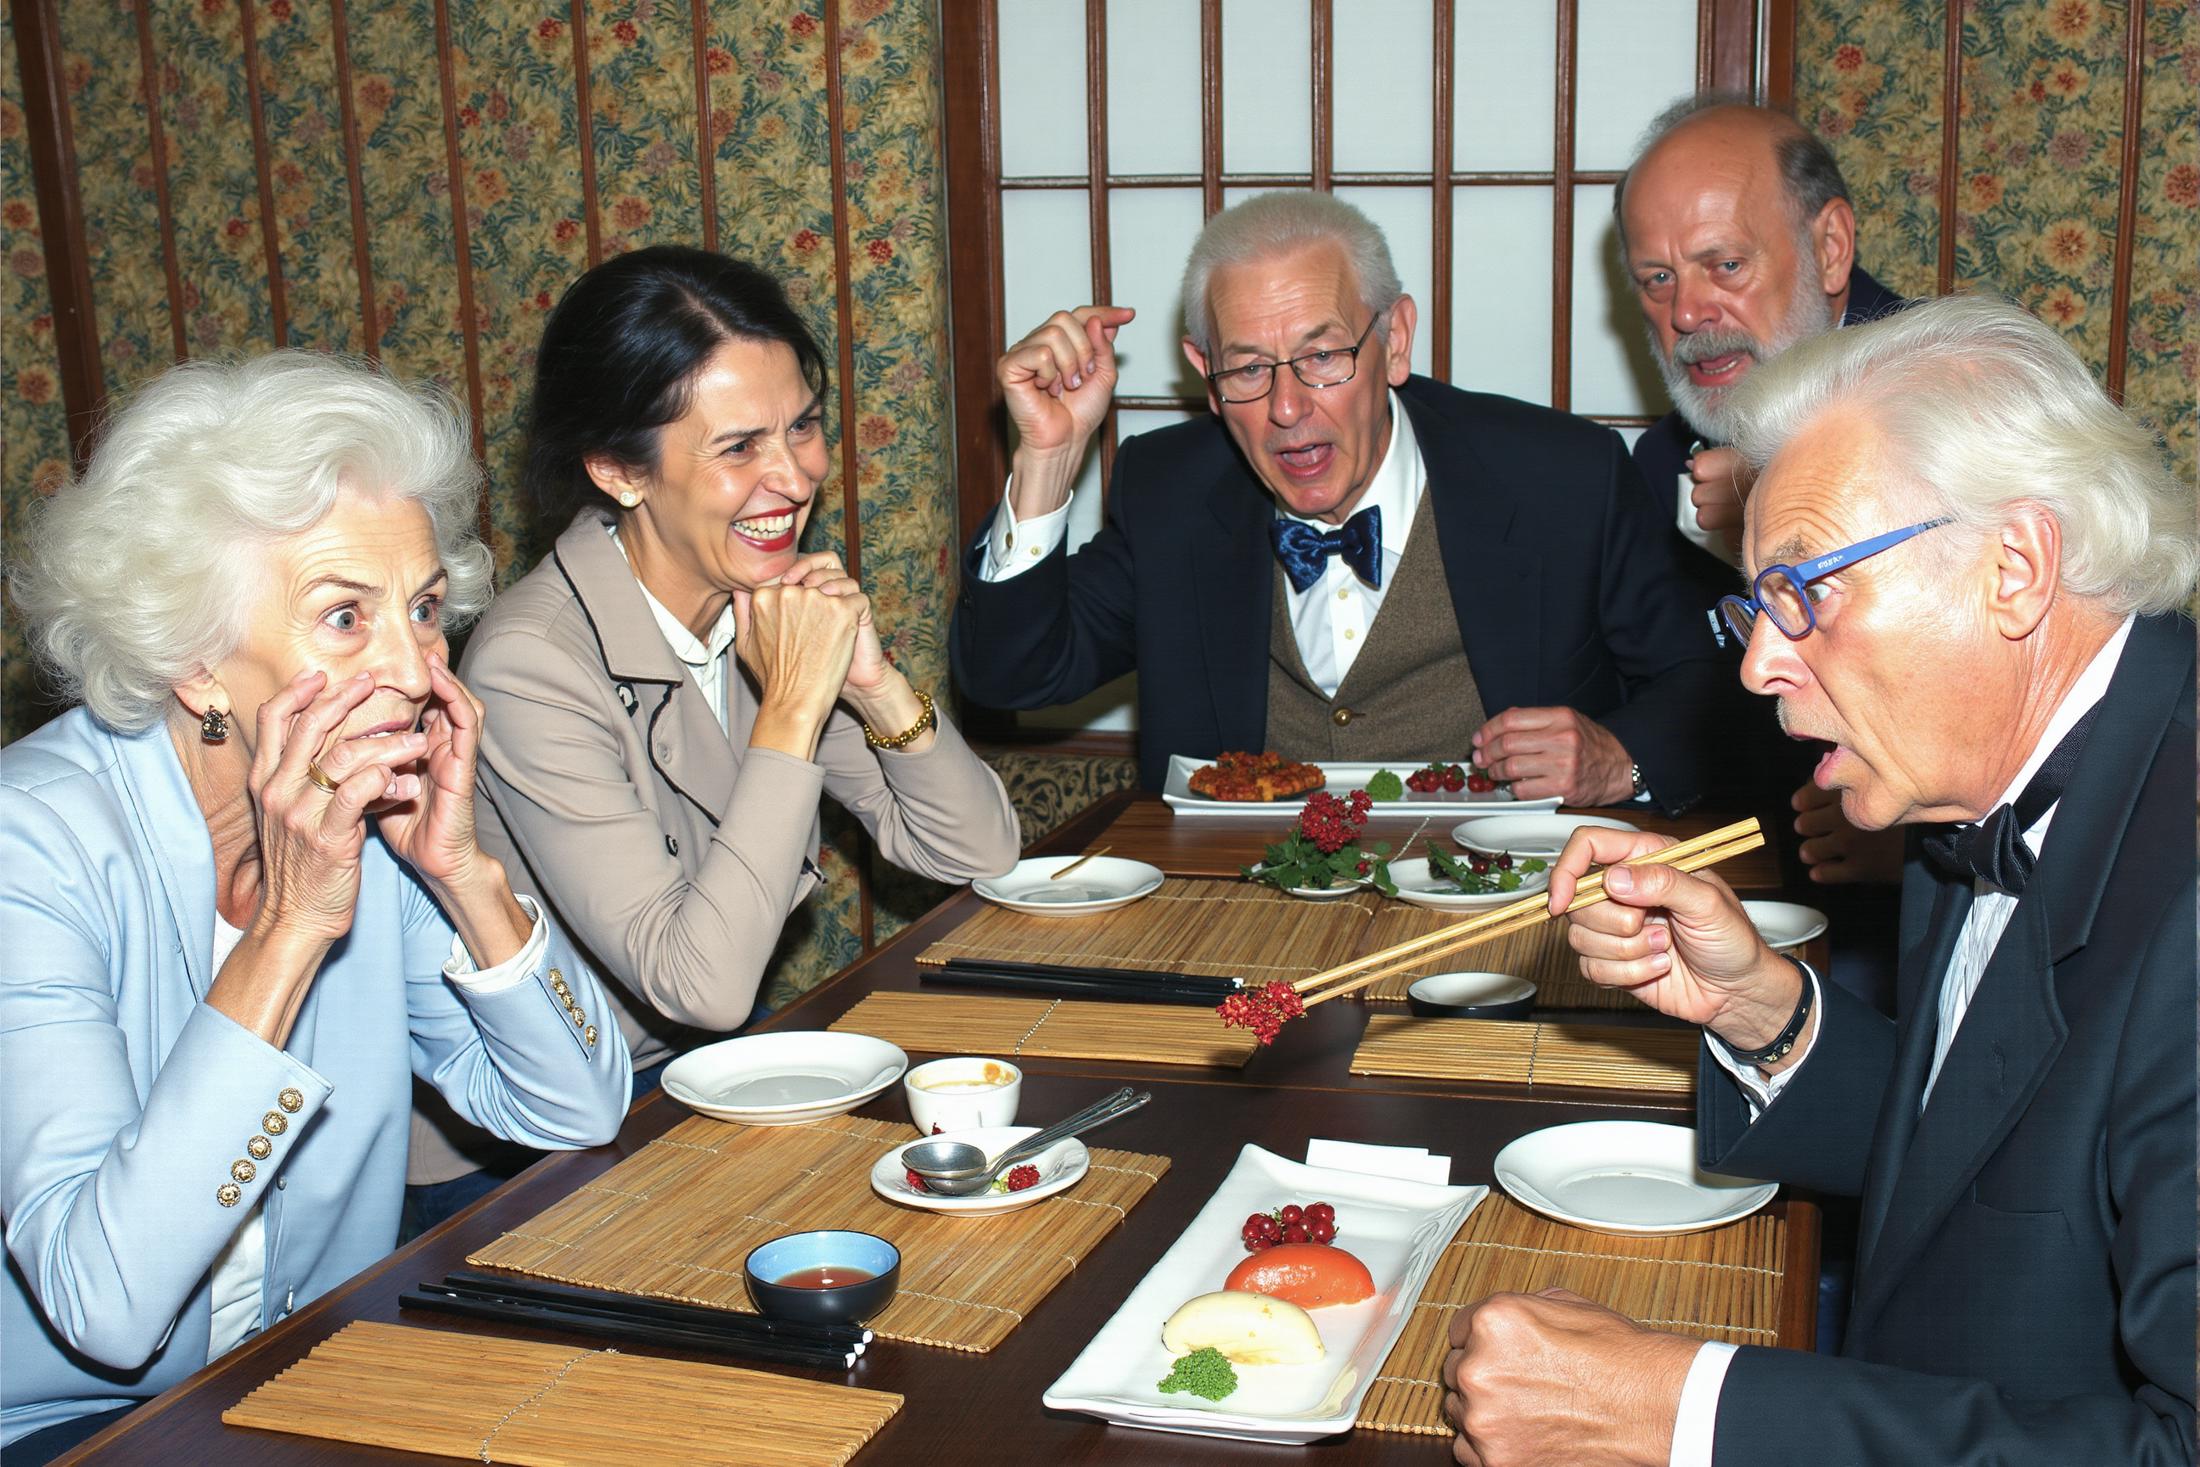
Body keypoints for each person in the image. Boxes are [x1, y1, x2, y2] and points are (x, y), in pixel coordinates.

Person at [1440, 296, 2196, 1467]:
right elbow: (1998, 1166)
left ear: (2014, 568)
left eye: (1806, 591)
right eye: (1754, 604)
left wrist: (1687, 1416)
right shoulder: (1967, 786)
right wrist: (1769, 1013)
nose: (1755, 664)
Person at [1, 353, 633, 1461]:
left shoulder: (363, 816)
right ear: (196, 663)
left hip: (317, 1375)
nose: (414, 666)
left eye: (426, 607)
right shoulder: (30, 849)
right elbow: (104, 1301)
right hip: (68, 1428)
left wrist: (465, 872)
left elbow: (575, 1109)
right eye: (346, 617)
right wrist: (291, 928)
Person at [405, 247, 1021, 1221]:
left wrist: (872, 681)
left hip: (708, 1075)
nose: (795, 475)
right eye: (738, 449)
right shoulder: (533, 664)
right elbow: (701, 986)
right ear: (616, 471)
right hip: (528, 1145)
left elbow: (976, 854)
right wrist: (790, 709)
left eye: (805, 427)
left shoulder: (757, 593)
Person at [951, 191, 1731, 812]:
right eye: (1248, 369)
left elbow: (1702, 684)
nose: (1288, 407)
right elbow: (1009, 678)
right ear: (1204, 372)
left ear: (1394, 340)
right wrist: (1048, 460)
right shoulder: (1173, 491)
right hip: (1243, 916)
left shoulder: (1561, 476)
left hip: (1508, 909)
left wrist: (1618, 758)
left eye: (1323, 355)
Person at [1617, 94, 1911, 915]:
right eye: (1658, 279)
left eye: (1726, 266)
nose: (1687, 313)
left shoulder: (1963, 403)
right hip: (1734, 889)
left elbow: (2096, 702)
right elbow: (1676, 690)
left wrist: (1922, 834)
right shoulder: (1664, 463)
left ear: (1829, 248)